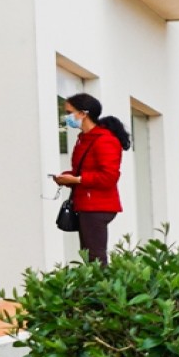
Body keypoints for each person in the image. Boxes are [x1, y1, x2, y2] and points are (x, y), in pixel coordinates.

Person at [52, 93, 131, 266]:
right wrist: (66, 177)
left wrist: (76, 180)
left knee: (95, 258)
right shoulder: (84, 139)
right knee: (89, 255)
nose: (67, 117)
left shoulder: (104, 140)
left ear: (83, 113)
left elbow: (109, 177)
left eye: (69, 112)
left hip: (97, 205)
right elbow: (83, 171)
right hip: (86, 204)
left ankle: (103, 284)